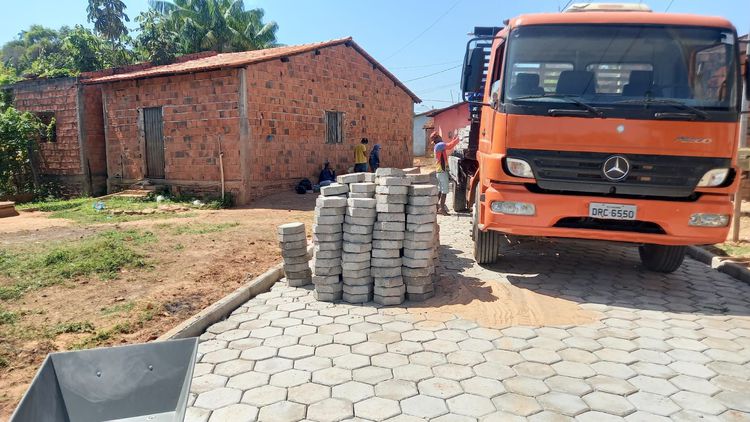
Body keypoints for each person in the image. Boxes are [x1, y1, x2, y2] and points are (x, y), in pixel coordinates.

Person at [432, 131, 459, 215]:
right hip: (442, 171)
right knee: (445, 191)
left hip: (439, 171)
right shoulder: (439, 145)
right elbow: (450, 146)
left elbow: (449, 144)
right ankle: (442, 209)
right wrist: (458, 139)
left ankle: (436, 208)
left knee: (440, 190)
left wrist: (454, 139)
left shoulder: (438, 146)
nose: (441, 137)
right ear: (437, 138)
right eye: (439, 136)